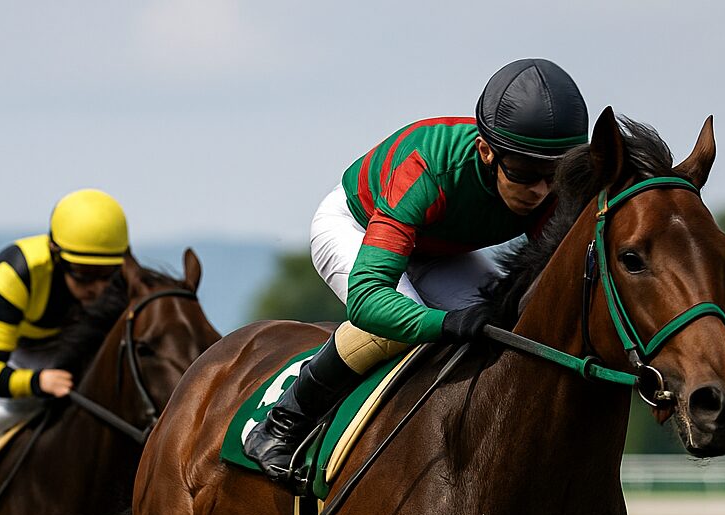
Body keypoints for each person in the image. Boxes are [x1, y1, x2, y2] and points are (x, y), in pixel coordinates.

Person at [242, 58, 589, 487]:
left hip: (437, 248)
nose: (541, 192)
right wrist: (444, 323)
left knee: (505, 327)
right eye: (523, 174)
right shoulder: (426, 169)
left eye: (553, 176)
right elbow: (370, 298)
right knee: (396, 322)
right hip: (357, 225)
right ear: (485, 150)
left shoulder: (548, 188)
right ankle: (282, 423)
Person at [0, 188, 129, 458]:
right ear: (56, 254)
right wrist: (37, 382)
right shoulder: (17, 273)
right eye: (84, 274)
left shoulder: (118, 279)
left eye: (107, 274)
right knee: (12, 406)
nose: (98, 288)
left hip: (49, 339)